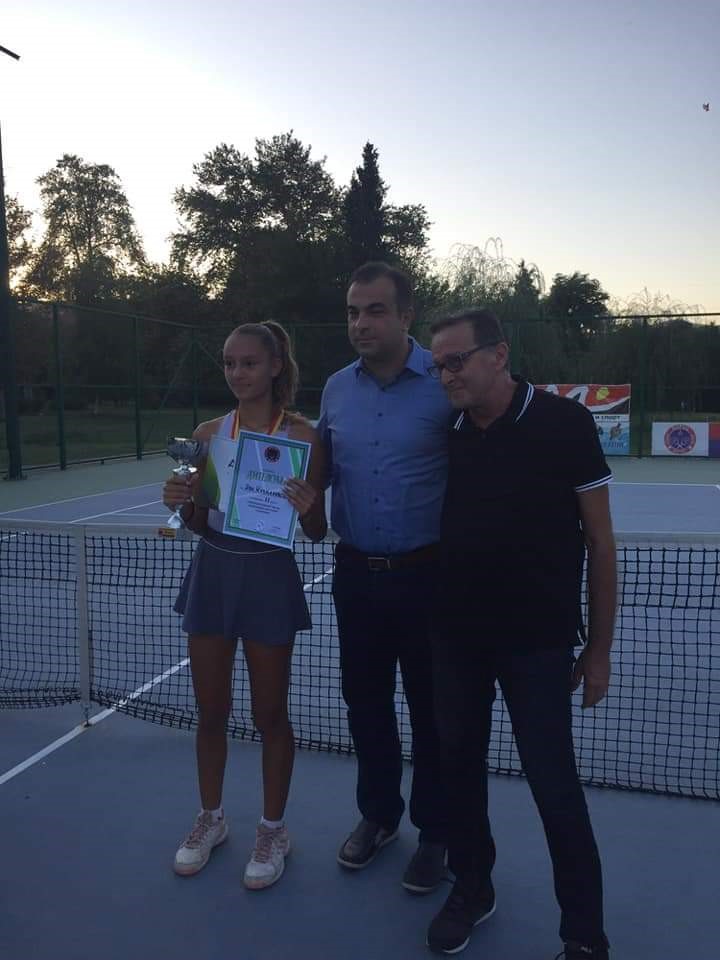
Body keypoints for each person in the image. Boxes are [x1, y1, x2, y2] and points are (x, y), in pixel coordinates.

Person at [426, 308, 616, 958]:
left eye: (456, 361)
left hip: (537, 645)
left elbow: (600, 542)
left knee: (554, 786)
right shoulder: (449, 431)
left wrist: (599, 650)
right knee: (458, 773)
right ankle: (472, 887)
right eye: (438, 365)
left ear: (498, 355)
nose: (446, 375)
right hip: (455, 638)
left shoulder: (565, 423)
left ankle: (584, 936)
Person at [162, 321, 327, 890]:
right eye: (230, 363)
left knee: (269, 714)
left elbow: (316, 530)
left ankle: (273, 829)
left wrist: (309, 507)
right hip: (212, 573)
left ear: (276, 366)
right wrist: (181, 501)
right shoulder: (208, 434)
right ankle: (210, 818)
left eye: (249, 363)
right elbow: (198, 519)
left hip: (268, 579)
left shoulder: (304, 438)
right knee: (210, 711)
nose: (237, 373)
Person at [318, 262, 451, 893]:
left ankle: (437, 832)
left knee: (433, 711)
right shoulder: (334, 389)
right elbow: (315, 472)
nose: (361, 323)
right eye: (353, 311)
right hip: (355, 575)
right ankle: (379, 816)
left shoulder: (444, 383)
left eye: (375, 310)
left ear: (406, 316)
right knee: (366, 705)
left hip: (431, 578)